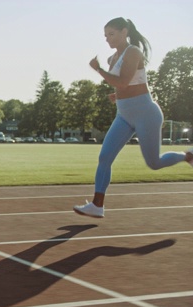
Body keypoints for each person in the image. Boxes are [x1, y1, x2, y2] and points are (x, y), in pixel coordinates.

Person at [74, 17, 193, 219]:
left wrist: (99, 70)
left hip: (146, 113)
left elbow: (122, 82)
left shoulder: (133, 52)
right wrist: (117, 96)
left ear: (124, 32)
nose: (107, 39)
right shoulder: (113, 58)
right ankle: (97, 205)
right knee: (104, 157)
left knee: (154, 163)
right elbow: (124, 86)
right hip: (124, 114)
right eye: (105, 36)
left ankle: (187, 156)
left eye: (111, 34)